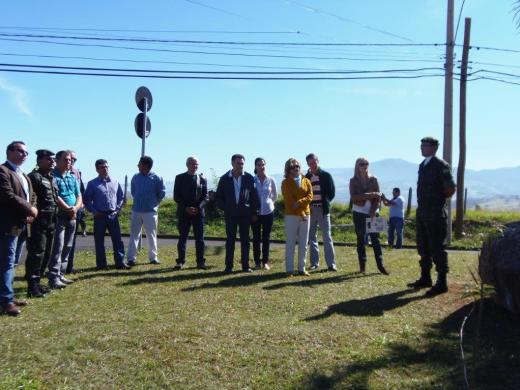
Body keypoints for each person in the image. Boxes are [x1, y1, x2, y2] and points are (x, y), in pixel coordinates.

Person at [408, 136, 456, 296]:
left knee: (437, 246)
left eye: (425, 145)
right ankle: (425, 277)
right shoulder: (423, 165)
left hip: (435, 212)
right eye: (421, 145)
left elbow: (450, 188)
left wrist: (436, 201)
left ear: (434, 148)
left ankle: (441, 282)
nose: (421, 148)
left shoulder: (441, 165)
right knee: (423, 245)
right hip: (423, 211)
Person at [0, 141, 37, 316]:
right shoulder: (3, 171)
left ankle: (7, 296)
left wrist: (31, 210)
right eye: (21, 151)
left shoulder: (23, 174)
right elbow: (7, 195)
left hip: (23, 224)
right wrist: (29, 208)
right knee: (7, 263)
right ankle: (6, 302)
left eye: (26, 153)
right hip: (8, 224)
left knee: (13, 262)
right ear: (9, 151)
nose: (24, 155)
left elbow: (32, 195)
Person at [216, 154, 259, 273]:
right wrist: (226, 208)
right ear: (232, 164)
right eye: (238, 163)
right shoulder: (224, 178)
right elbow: (219, 197)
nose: (240, 166)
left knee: (245, 241)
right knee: (230, 241)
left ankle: (245, 266)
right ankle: (228, 266)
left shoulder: (249, 178)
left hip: (245, 215)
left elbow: (254, 197)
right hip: (230, 215)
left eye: (242, 163)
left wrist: (255, 212)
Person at [83, 159, 129, 270]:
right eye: (102, 167)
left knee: (118, 240)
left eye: (106, 167)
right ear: (97, 169)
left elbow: (121, 197)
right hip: (99, 216)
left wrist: (117, 210)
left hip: (113, 215)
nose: (105, 169)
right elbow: (87, 200)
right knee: (99, 241)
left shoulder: (115, 182)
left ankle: (120, 262)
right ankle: (101, 264)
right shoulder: (92, 184)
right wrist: (94, 211)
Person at [25, 149, 59, 298]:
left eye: (53, 160)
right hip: (38, 222)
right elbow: (31, 199)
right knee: (36, 253)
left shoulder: (52, 178)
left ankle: (38, 283)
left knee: (46, 253)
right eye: (49, 160)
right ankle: (32, 286)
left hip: (51, 221)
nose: (52, 162)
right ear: (39, 161)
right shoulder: (34, 177)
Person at [349, 158, 389, 275]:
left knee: (376, 240)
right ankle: (362, 266)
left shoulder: (374, 179)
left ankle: (380, 265)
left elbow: (378, 197)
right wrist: (370, 194)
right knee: (360, 239)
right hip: (358, 212)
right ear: (357, 166)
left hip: (373, 212)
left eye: (367, 164)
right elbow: (354, 198)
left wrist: (373, 210)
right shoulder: (353, 181)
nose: (365, 166)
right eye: (362, 164)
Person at [48, 150, 82, 288]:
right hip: (60, 216)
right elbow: (56, 197)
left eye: (70, 160)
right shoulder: (52, 176)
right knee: (58, 247)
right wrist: (68, 209)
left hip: (72, 215)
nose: (69, 162)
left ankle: (61, 274)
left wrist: (75, 208)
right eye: (65, 160)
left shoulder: (72, 177)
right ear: (57, 160)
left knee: (68, 246)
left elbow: (79, 195)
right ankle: (53, 277)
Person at [127, 156, 166, 266]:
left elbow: (161, 193)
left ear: (146, 165)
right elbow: (134, 192)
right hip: (136, 210)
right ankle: (131, 258)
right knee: (134, 235)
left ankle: (153, 257)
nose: (138, 165)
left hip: (150, 211)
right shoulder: (135, 177)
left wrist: (155, 204)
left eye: (139, 163)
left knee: (151, 235)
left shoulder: (157, 177)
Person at [173, 156, 208, 270]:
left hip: (198, 213)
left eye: (196, 164)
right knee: (183, 238)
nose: (195, 166)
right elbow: (176, 197)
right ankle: (180, 261)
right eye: (193, 164)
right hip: (184, 212)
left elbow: (205, 197)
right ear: (187, 165)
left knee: (200, 239)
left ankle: (200, 262)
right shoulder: (179, 178)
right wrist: (186, 208)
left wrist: (198, 208)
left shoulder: (202, 179)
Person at [305, 153, 337, 272]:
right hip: (311, 209)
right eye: (310, 163)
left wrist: (325, 202)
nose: (313, 165)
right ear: (307, 164)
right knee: (312, 237)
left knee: (327, 237)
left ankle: (331, 264)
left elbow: (331, 192)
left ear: (318, 161)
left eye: (314, 162)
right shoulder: (306, 177)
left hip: (323, 209)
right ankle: (314, 263)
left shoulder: (326, 175)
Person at [281, 158, 313, 276]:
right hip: (291, 215)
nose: (296, 169)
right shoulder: (285, 183)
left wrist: (300, 203)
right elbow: (289, 201)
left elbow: (310, 196)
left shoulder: (306, 181)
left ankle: (302, 268)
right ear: (288, 169)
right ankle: (289, 269)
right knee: (290, 243)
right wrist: (301, 210)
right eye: (293, 167)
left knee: (304, 242)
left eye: (298, 166)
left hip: (306, 215)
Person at [251, 157, 277, 271]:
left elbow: (274, 196)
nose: (261, 167)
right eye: (259, 165)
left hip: (268, 212)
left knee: (266, 238)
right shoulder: (252, 180)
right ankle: (257, 262)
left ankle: (265, 261)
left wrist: (268, 204)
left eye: (263, 165)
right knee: (256, 237)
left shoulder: (271, 180)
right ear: (255, 167)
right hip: (255, 213)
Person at [66, 150, 86, 273]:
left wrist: (81, 205)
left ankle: (69, 267)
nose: (72, 161)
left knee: (72, 240)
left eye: (74, 160)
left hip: (76, 210)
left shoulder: (76, 172)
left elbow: (81, 191)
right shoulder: (58, 173)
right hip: (63, 211)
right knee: (60, 242)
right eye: (70, 159)